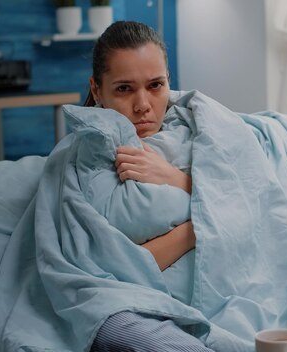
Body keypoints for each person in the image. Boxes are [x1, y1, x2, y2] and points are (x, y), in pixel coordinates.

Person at [84, 20, 213, 352]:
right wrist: (200, 227)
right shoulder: (86, 160)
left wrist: (174, 178)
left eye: (155, 85)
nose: (143, 105)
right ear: (97, 90)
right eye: (124, 89)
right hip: (132, 303)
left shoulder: (204, 130)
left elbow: (251, 207)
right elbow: (111, 270)